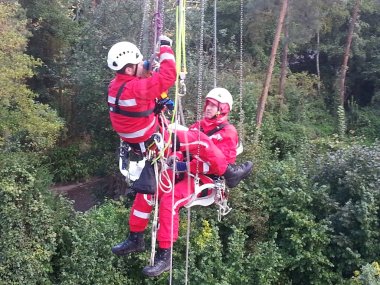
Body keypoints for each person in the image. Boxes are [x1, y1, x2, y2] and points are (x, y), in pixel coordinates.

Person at [109, 74, 253, 276]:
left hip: (205, 181)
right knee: (147, 192)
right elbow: (181, 148)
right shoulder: (198, 127)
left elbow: (216, 165)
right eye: (208, 104)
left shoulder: (228, 133)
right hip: (184, 173)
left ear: (223, 109)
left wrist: (186, 167)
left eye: (213, 105)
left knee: (170, 201)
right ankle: (135, 237)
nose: (208, 107)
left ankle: (165, 255)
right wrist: (175, 158)